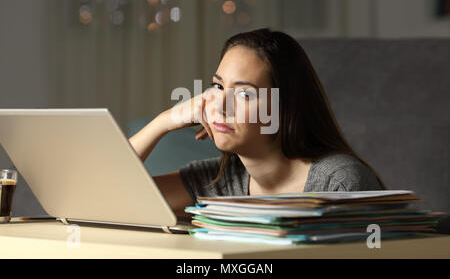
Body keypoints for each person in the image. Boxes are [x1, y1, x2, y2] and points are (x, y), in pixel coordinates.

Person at [129, 28, 385, 218]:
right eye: (218, 86)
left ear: (284, 108)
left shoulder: (339, 183)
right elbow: (106, 198)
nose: (219, 105)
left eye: (244, 94)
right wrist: (163, 121)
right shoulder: (220, 183)